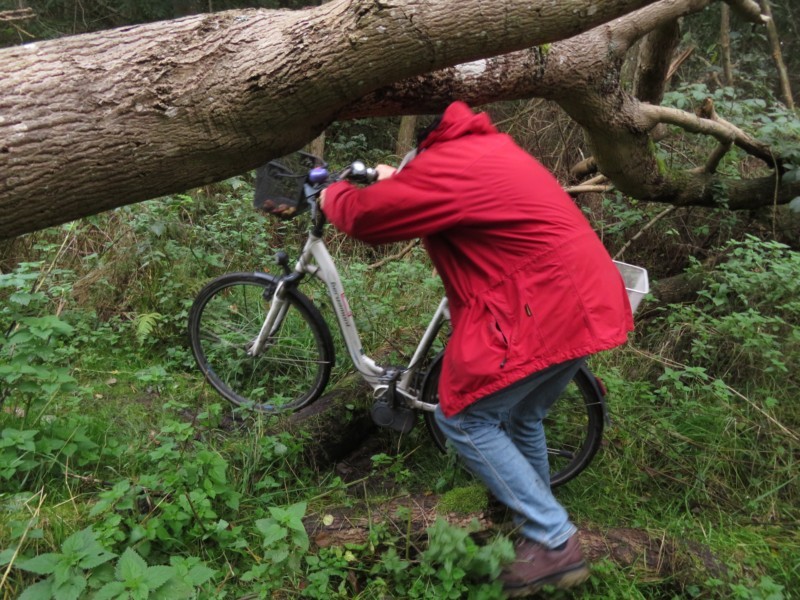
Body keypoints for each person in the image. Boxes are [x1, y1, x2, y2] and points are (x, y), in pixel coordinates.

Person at [320, 101, 633, 596]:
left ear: (423, 138)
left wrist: (329, 193)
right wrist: (397, 174)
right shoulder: (482, 147)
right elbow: (429, 187)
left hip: (545, 305)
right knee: (524, 416)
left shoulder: (451, 165)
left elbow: (365, 219)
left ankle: (552, 539)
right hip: (584, 297)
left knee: (460, 417)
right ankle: (523, 518)